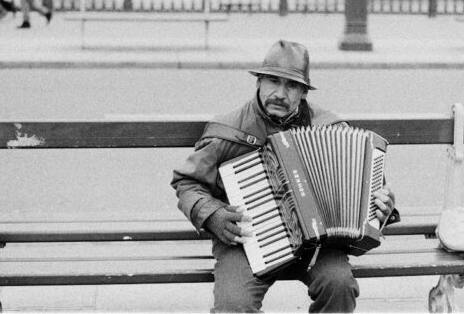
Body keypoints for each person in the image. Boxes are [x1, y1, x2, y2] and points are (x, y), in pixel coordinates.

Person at [171, 40, 399, 313]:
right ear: (258, 82)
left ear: (303, 92)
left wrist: (382, 207)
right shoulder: (229, 130)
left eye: (291, 85)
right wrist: (213, 215)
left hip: (314, 245)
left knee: (339, 285)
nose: (280, 93)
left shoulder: (329, 128)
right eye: (272, 81)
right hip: (245, 242)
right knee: (234, 305)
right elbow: (187, 183)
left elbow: (370, 192)